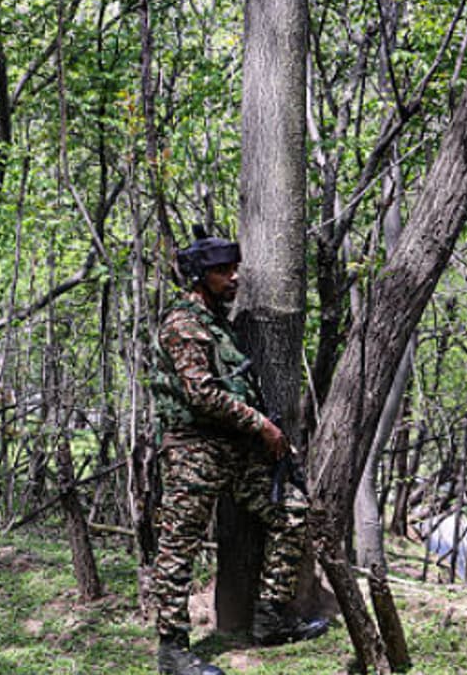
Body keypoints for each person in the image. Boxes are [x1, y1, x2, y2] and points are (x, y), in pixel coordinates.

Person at [149, 228, 328, 675]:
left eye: (234, 269)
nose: (233, 279)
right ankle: (171, 650)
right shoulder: (183, 323)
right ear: (199, 276)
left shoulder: (216, 323)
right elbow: (202, 395)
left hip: (232, 449)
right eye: (222, 272)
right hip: (194, 450)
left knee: (292, 512)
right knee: (178, 546)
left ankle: (270, 619)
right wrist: (262, 426)